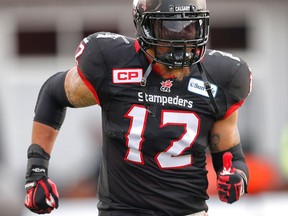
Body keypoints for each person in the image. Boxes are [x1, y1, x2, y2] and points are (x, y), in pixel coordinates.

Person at [24, 0, 252, 215]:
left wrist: (236, 179)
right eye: (169, 28)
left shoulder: (221, 77)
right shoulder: (113, 62)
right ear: (145, 25)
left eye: (189, 27)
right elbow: (53, 93)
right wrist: (36, 171)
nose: (181, 39)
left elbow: (232, 158)